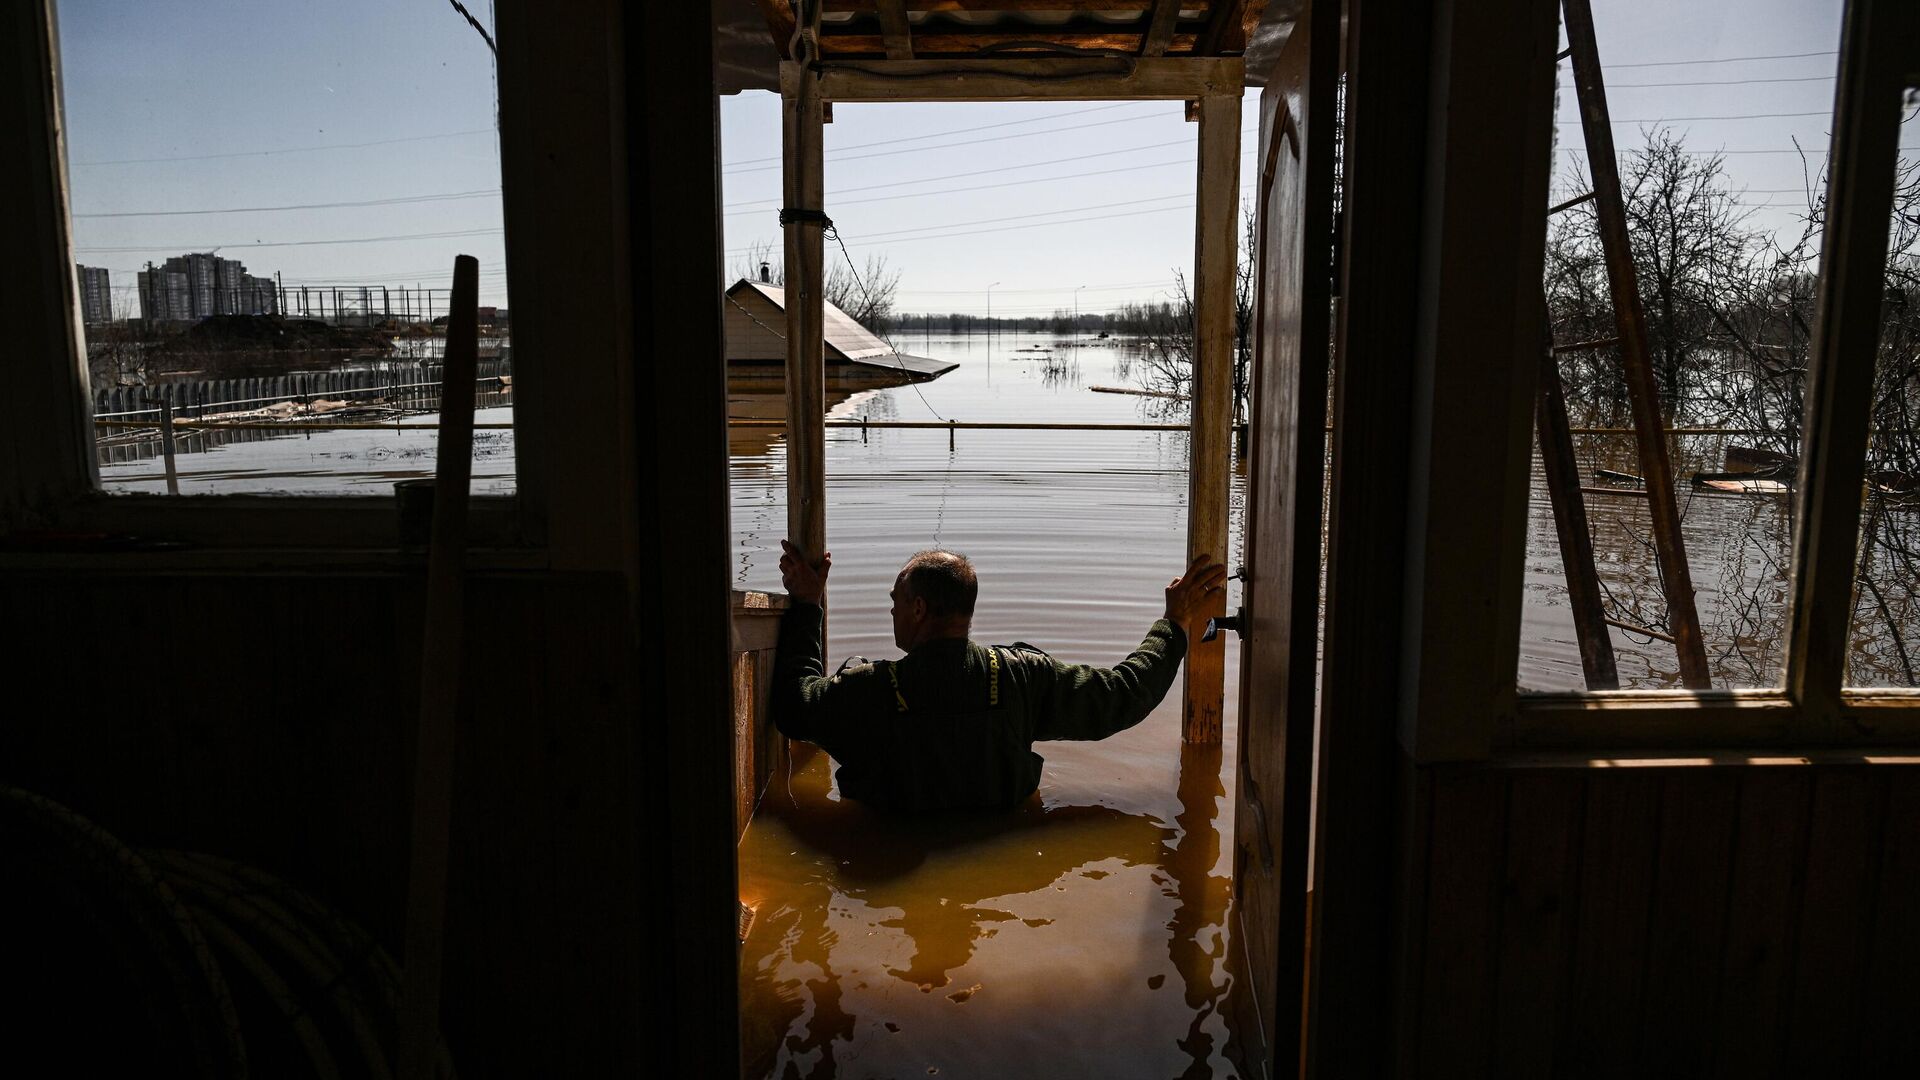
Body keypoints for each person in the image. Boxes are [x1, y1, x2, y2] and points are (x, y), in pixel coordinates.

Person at [772, 540, 1229, 813]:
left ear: (918, 608)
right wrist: (1172, 626)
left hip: (882, 850)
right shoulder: (1020, 678)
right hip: (1000, 833)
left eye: (895, 600)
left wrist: (809, 605)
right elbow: (1125, 695)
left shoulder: (864, 690)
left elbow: (794, 707)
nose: (891, 610)